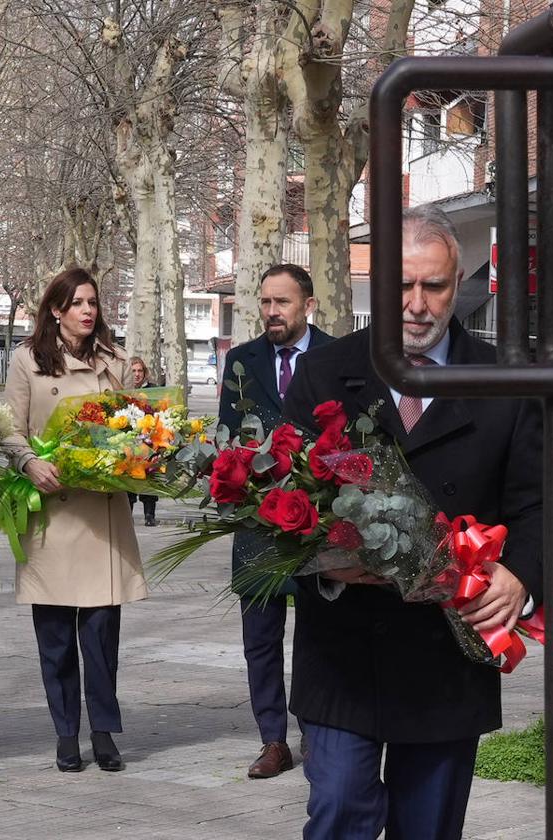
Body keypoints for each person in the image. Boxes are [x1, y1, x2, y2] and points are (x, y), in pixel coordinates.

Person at [281, 206, 543, 839]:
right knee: (339, 808)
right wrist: (326, 566)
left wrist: (521, 579)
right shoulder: (323, 371)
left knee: (428, 829)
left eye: (436, 286)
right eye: (403, 285)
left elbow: (542, 505)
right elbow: (278, 506)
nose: (419, 304)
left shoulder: (506, 380)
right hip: (345, 650)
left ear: (460, 286)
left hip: (447, 659)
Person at [1, 267, 147, 773]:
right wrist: (28, 462)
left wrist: (138, 451)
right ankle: (66, 733)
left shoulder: (117, 361)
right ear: (56, 310)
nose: (88, 311)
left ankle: (104, 731)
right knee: (57, 638)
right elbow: (8, 428)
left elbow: (138, 428)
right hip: (51, 513)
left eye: (93, 302)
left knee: (102, 636)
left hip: (102, 514)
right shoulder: (27, 360)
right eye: (78, 303)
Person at [218, 263, 334, 779]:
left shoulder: (336, 356)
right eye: (265, 302)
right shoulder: (241, 361)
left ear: (308, 305)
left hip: (318, 521)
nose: (271, 312)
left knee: (320, 632)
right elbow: (226, 436)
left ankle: (315, 729)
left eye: (282, 302)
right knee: (260, 638)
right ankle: (272, 739)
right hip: (257, 525)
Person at [125, 355, 159, 526]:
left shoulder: (153, 390)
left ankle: (149, 515)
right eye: (133, 371)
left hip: (149, 441)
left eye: (140, 371)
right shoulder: (124, 390)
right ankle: (127, 514)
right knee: (129, 478)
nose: (137, 374)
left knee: (149, 477)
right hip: (129, 441)